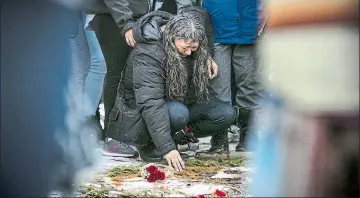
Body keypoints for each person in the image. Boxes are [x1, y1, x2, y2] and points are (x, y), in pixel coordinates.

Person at [107, 12, 235, 171]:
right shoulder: (148, 53)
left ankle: (177, 136)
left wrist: (205, 56)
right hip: (142, 113)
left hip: (179, 101)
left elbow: (196, 17)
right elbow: (150, 103)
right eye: (186, 47)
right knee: (178, 113)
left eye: (194, 48)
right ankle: (151, 145)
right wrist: (167, 147)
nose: (189, 52)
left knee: (226, 113)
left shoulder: (188, 42)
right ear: (171, 36)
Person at [83, 0, 195, 157]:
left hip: (137, 15)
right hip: (113, 16)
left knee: (132, 75)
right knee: (117, 73)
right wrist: (126, 24)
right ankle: (113, 137)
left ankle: (135, 134)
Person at [202, 0, 265, 152]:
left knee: (250, 83)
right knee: (217, 84)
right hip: (217, 23)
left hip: (251, 23)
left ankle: (249, 132)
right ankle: (219, 133)